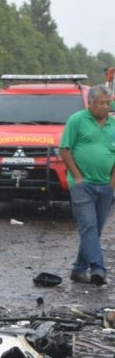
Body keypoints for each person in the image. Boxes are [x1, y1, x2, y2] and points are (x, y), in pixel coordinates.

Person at [60, 84, 115, 285]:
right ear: (90, 102)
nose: (105, 107)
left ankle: (79, 269)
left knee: (94, 229)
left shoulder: (113, 125)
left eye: (108, 103)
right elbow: (64, 149)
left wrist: (112, 182)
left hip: (105, 185)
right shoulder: (77, 120)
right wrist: (77, 177)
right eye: (100, 103)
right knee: (88, 225)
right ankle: (98, 268)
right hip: (82, 184)